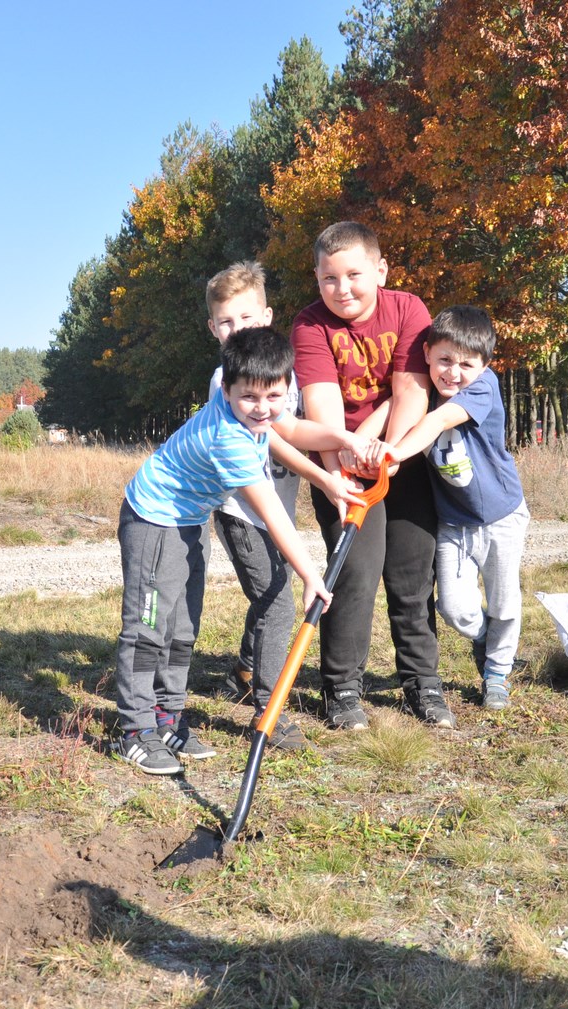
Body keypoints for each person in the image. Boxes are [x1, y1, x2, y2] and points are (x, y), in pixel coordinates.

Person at [114, 326, 384, 775]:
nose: (263, 409)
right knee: (149, 626)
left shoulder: (249, 403)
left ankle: (166, 717)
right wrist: (310, 577)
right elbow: (274, 515)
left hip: (189, 520)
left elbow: (286, 432)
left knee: (181, 628)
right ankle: (135, 730)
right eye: (250, 399)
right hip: (153, 520)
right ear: (227, 390)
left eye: (274, 397)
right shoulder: (229, 439)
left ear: (286, 387)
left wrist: (337, 457)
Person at [292, 221, 450, 730]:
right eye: (329, 280)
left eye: (354, 275)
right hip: (339, 465)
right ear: (317, 280)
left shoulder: (408, 309)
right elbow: (323, 410)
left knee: (411, 574)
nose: (343, 290)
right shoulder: (309, 327)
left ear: (380, 270)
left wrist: (392, 455)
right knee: (355, 573)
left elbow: (410, 392)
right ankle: (340, 689)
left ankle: (422, 683)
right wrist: (339, 477)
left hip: (401, 457)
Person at [203, 262, 361, 752]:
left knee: (269, 589)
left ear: (267, 317)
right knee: (276, 598)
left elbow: (292, 430)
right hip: (241, 508)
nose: (237, 330)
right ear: (214, 330)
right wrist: (322, 474)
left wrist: (339, 444)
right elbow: (274, 440)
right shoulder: (226, 380)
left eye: (246, 319)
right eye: (226, 323)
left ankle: (247, 670)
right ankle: (269, 708)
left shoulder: (281, 377)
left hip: (275, 505)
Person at [386, 306, 529, 712]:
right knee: (453, 607)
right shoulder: (420, 393)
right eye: (445, 360)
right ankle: (484, 639)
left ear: (484, 365)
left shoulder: (483, 388)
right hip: (453, 522)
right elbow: (394, 408)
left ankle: (497, 674)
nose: (453, 372)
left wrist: (393, 455)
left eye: (466, 364)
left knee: (504, 602)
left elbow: (435, 425)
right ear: (427, 353)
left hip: (502, 517)